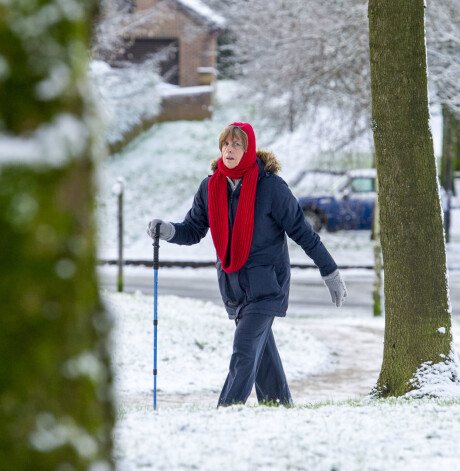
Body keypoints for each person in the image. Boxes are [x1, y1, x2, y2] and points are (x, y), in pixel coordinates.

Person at [146, 122, 347, 407]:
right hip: (233, 287)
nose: (229, 149)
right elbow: (193, 229)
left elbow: (303, 232)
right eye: (226, 144)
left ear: (248, 148)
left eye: (236, 144)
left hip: (267, 287)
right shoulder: (211, 186)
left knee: (244, 349)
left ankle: (227, 411)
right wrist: (168, 231)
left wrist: (330, 271)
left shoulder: (271, 188)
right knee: (262, 354)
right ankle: (279, 406)